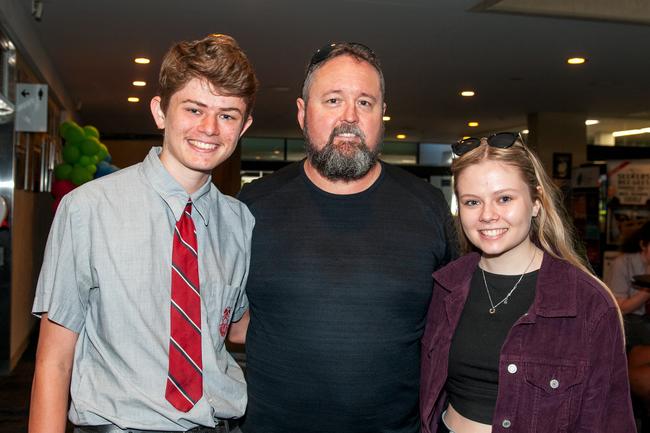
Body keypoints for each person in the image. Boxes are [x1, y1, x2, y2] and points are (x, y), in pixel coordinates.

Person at [29, 34, 257, 433]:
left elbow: (236, 327)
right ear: (160, 111)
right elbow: (54, 361)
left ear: (244, 126)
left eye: (227, 115)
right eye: (194, 108)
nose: (209, 128)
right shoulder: (88, 209)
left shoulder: (241, 222)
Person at [237, 42, 458, 433]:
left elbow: (451, 327)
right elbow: (231, 321)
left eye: (365, 103)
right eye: (333, 100)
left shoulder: (428, 207)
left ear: (383, 115)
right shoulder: (252, 206)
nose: (350, 117)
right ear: (303, 113)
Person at [420, 133, 635, 433]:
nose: (487, 215)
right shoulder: (445, 287)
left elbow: (610, 420)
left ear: (536, 202)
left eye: (504, 198)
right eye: (472, 202)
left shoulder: (587, 302)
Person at [606, 221, 650, 348]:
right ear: (643, 245)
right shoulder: (622, 264)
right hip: (627, 321)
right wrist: (647, 290)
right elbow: (620, 308)